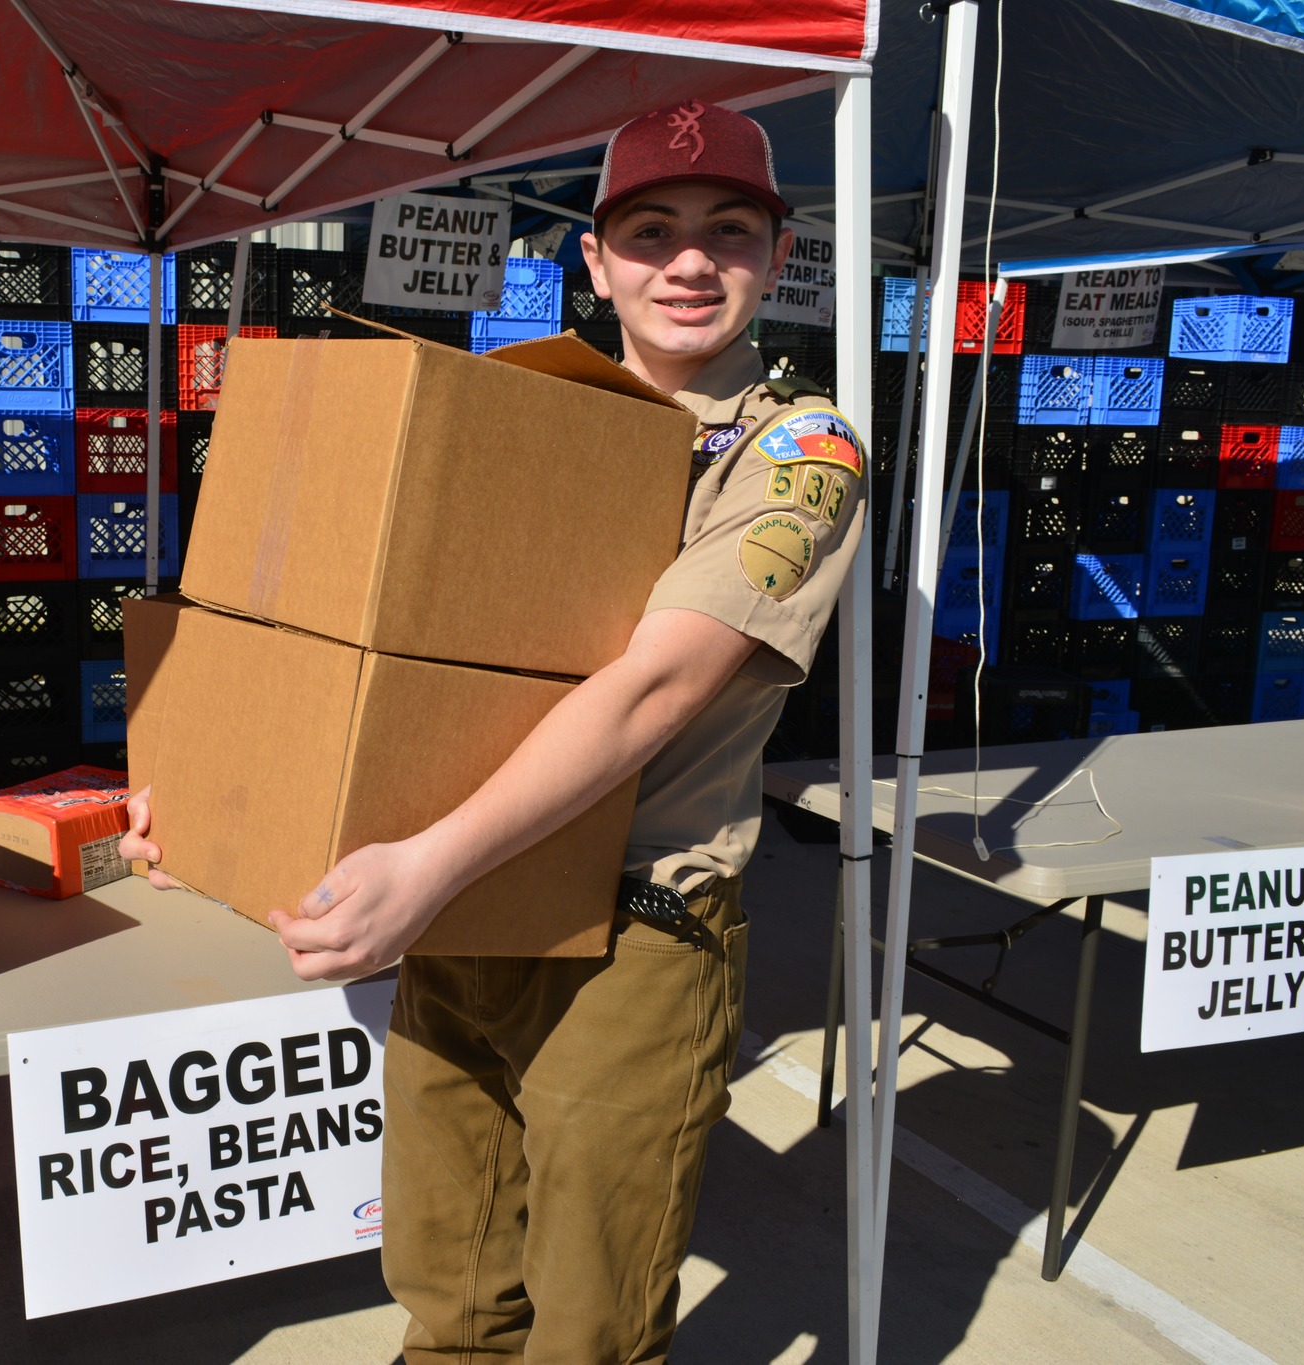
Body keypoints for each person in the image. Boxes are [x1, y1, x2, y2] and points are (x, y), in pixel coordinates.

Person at [122, 100, 865, 1363]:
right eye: (650, 232)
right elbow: (347, 631)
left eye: (727, 232)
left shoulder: (801, 450)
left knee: (587, 1320)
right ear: (594, 261)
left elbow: (652, 690)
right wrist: (210, 795)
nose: (688, 263)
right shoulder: (525, 413)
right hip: (465, 905)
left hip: (630, 928)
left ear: (778, 257)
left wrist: (424, 864)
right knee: (445, 1286)